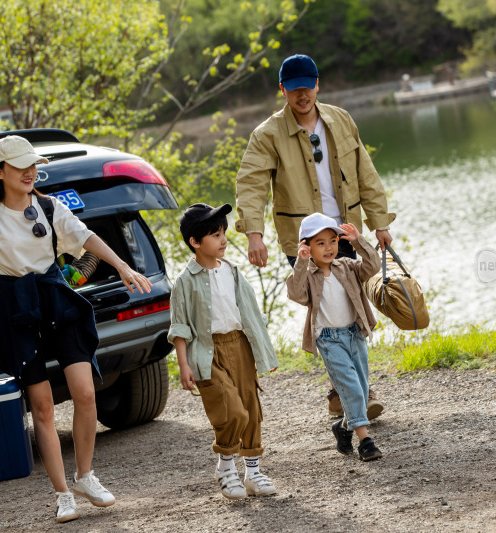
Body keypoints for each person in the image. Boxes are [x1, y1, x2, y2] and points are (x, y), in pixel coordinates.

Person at [0, 135, 153, 523]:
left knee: (85, 392)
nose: (30, 172)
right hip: (16, 309)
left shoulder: (49, 207)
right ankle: (62, 493)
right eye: (20, 167)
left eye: (33, 165)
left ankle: (85, 476)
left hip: (56, 298)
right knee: (43, 407)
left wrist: (123, 266)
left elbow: (85, 238)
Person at [235, 53, 394, 419]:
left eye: (307, 88)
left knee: (352, 310)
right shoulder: (267, 134)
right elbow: (251, 185)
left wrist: (379, 222)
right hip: (304, 243)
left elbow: (366, 173)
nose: (302, 96)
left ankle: (345, 393)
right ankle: (357, 392)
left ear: (317, 84)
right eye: (294, 90)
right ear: (283, 91)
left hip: (344, 234)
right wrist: (253, 234)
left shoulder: (340, 119)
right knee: (326, 316)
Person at [167, 203, 280, 500]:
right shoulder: (184, 281)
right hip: (207, 353)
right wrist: (183, 365)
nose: (224, 240)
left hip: (239, 345)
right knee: (231, 410)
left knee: (251, 410)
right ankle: (226, 467)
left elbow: (252, 314)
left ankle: (253, 473)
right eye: (216, 235)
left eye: (224, 233)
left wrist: (264, 352)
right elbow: (180, 327)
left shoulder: (233, 271)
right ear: (195, 242)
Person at [286, 213, 383, 461]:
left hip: (354, 333)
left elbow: (373, 267)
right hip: (329, 340)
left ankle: (342, 428)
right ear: (306, 247)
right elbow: (296, 293)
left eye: (333, 241)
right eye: (320, 243)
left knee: (360, 389)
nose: (329, 248)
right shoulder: (307, 275)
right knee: (350, 387)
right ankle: (366, 441)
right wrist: (300, 262)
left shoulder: (347, 267)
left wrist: (358, 241)